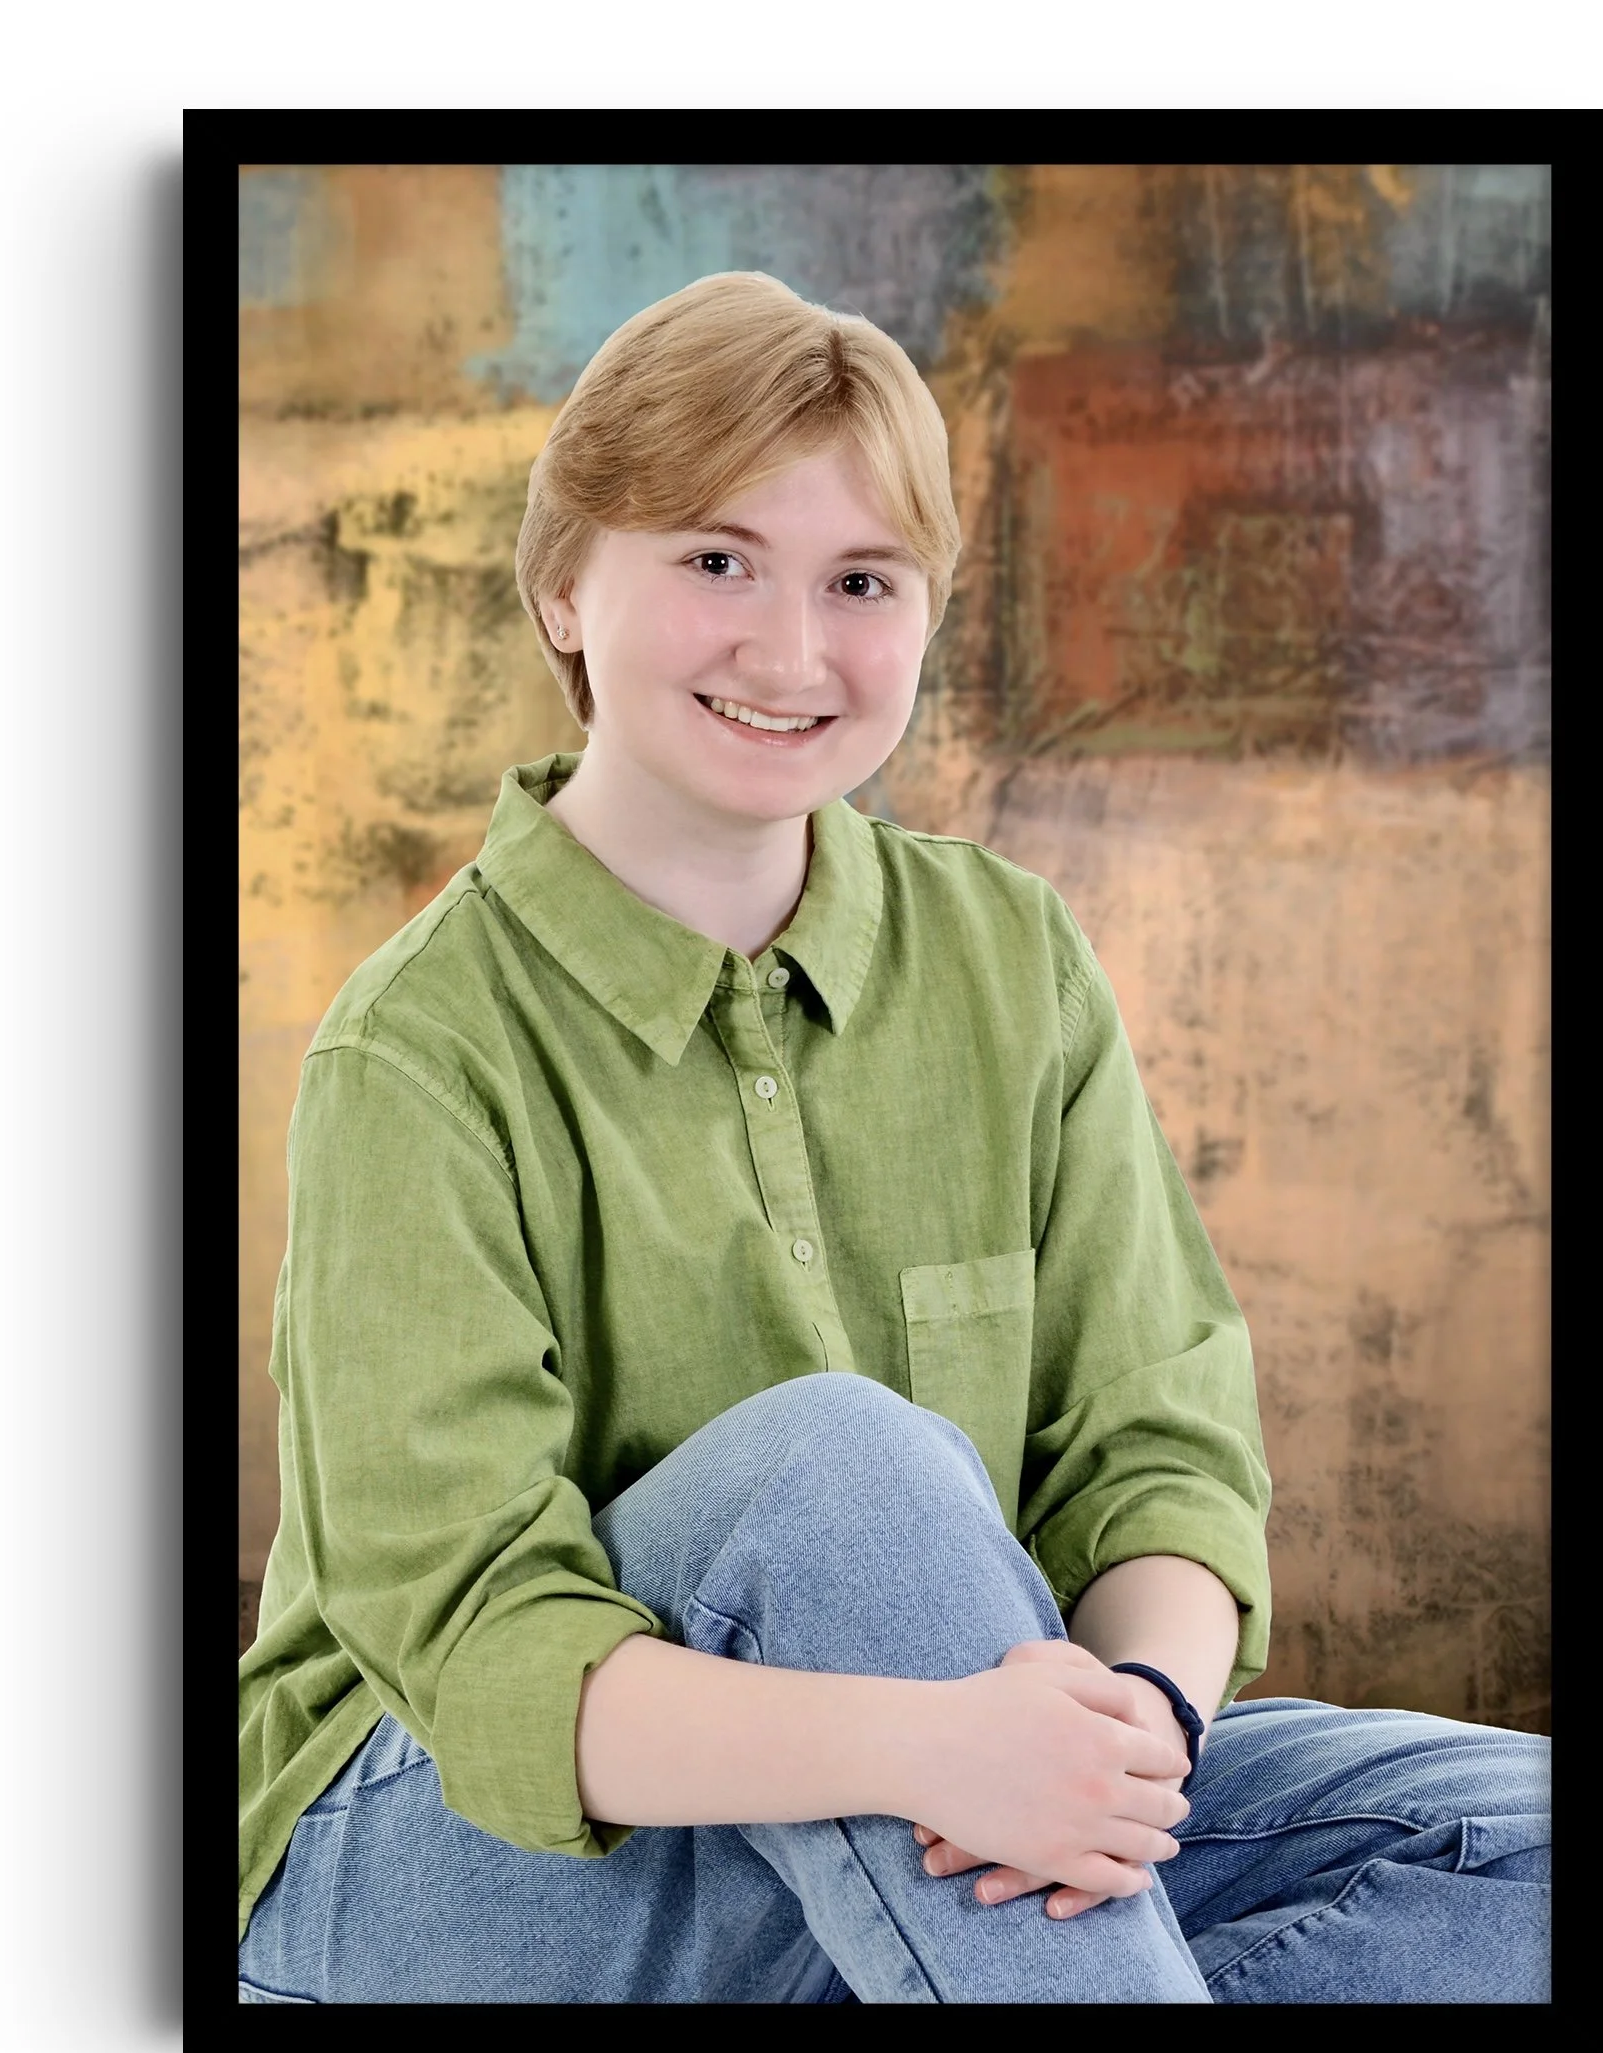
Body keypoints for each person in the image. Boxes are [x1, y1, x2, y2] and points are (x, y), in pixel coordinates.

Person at [237, 271, 1550, 2004]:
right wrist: (927, 1754)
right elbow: (492, 1663)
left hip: (977, 1761)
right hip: (435, 1841)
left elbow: (1156, 1446)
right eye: (714, 559)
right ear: (563, 584)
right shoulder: (415, 1051)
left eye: (861, 582)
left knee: (1515, 1852)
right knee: (845, 1471)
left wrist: (1125, 1728)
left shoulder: (1011, 955)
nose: (791, 654)